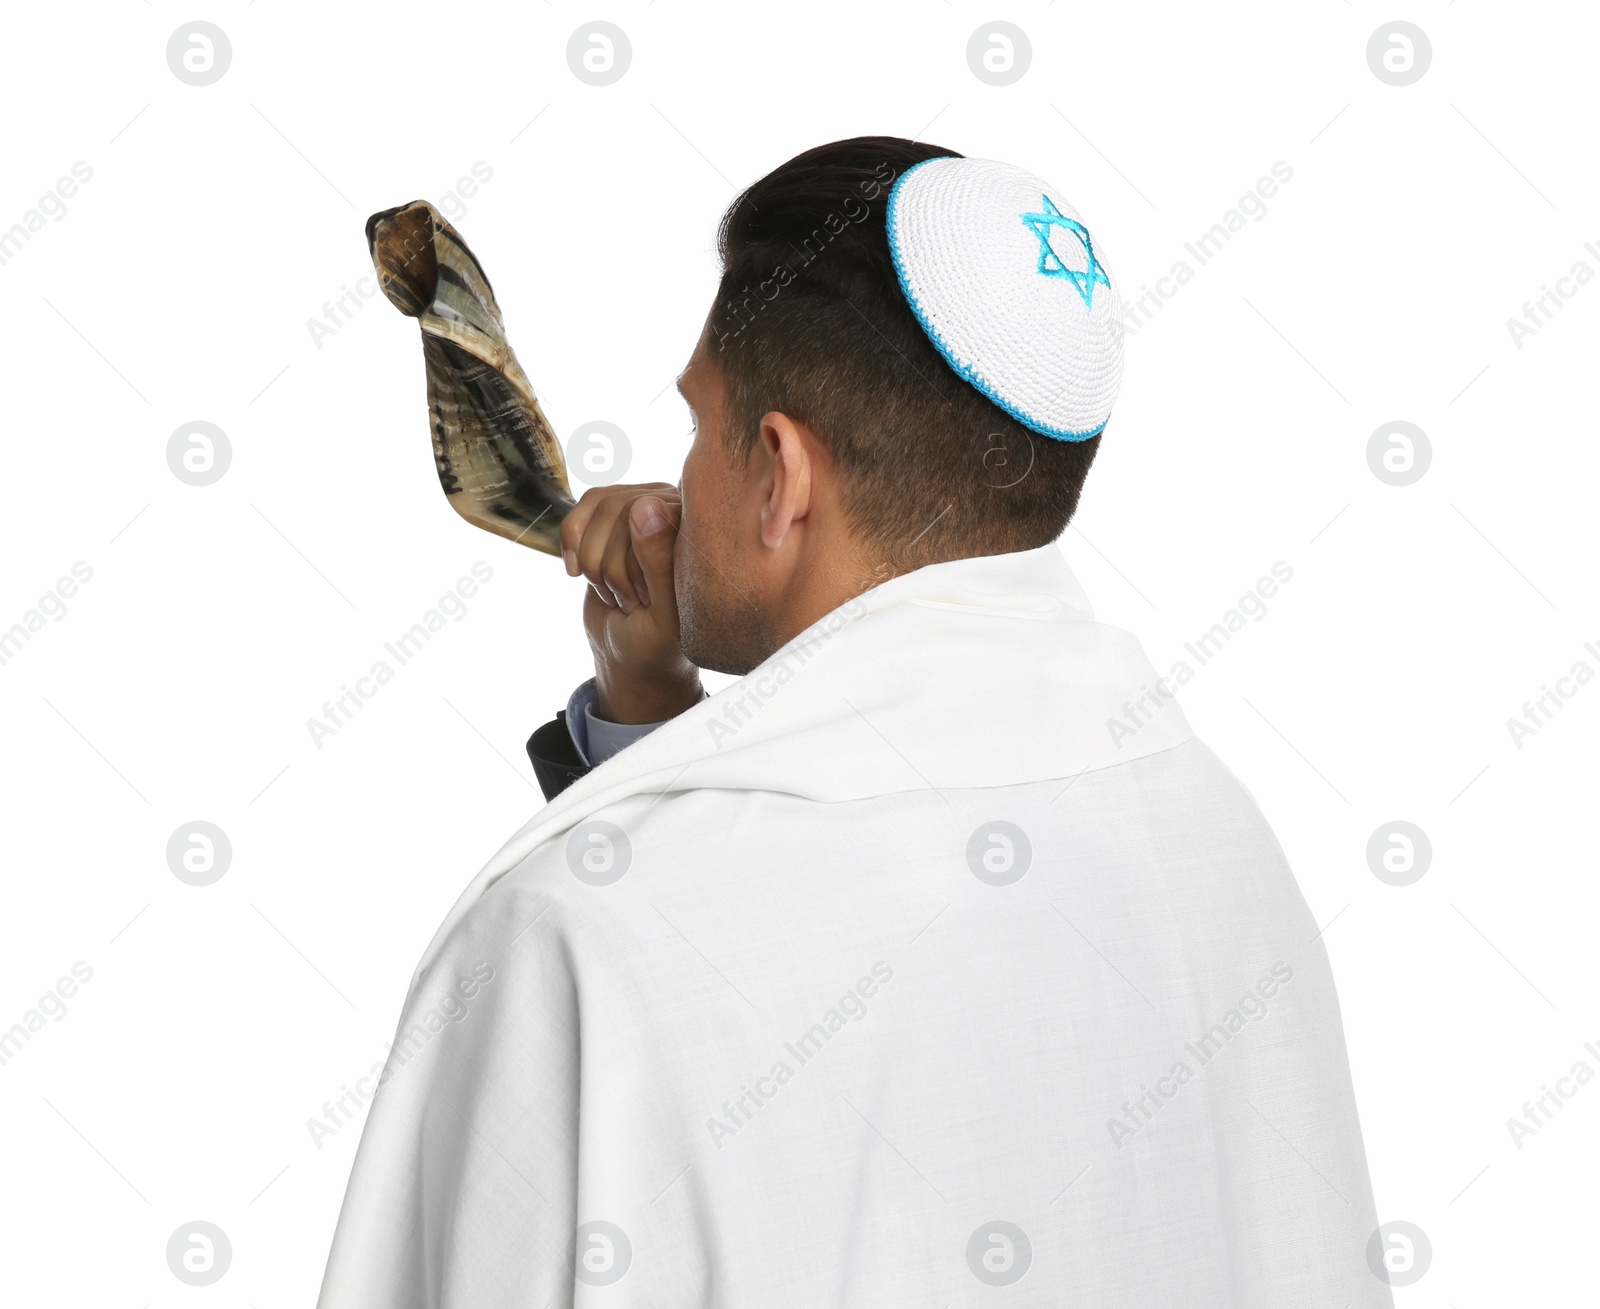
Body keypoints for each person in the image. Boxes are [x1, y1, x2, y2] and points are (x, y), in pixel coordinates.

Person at [317, 137, 1392, 1307]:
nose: (675, 476)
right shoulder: (1218, 840)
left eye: (698, 421)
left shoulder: (567, 944)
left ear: (780, 473)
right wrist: (653, 722)